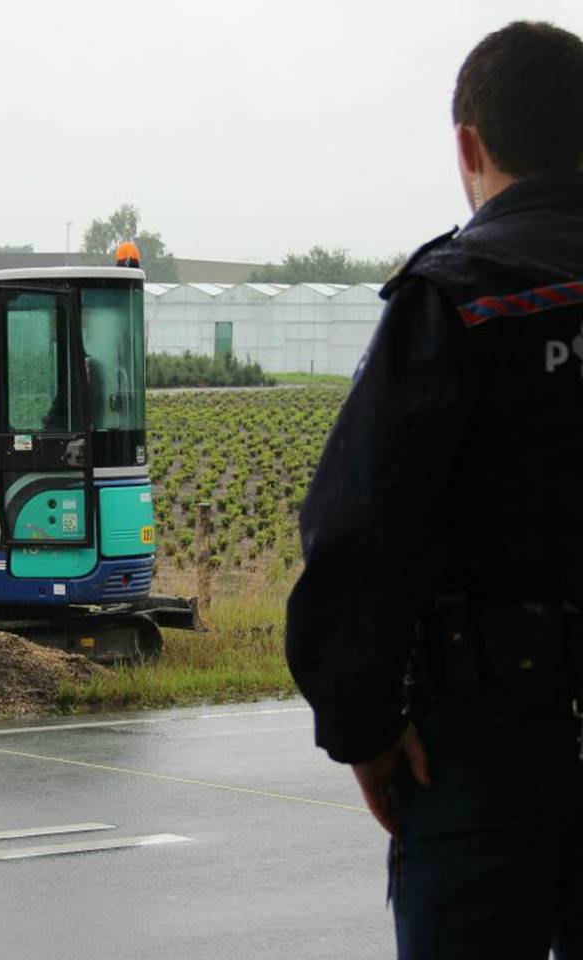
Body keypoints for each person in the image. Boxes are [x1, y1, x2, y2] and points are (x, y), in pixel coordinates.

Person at [285, 21, 583, 959]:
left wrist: (362, 726)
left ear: (470, 146)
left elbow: (358, 529)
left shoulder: (459, 297)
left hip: (493, 746)